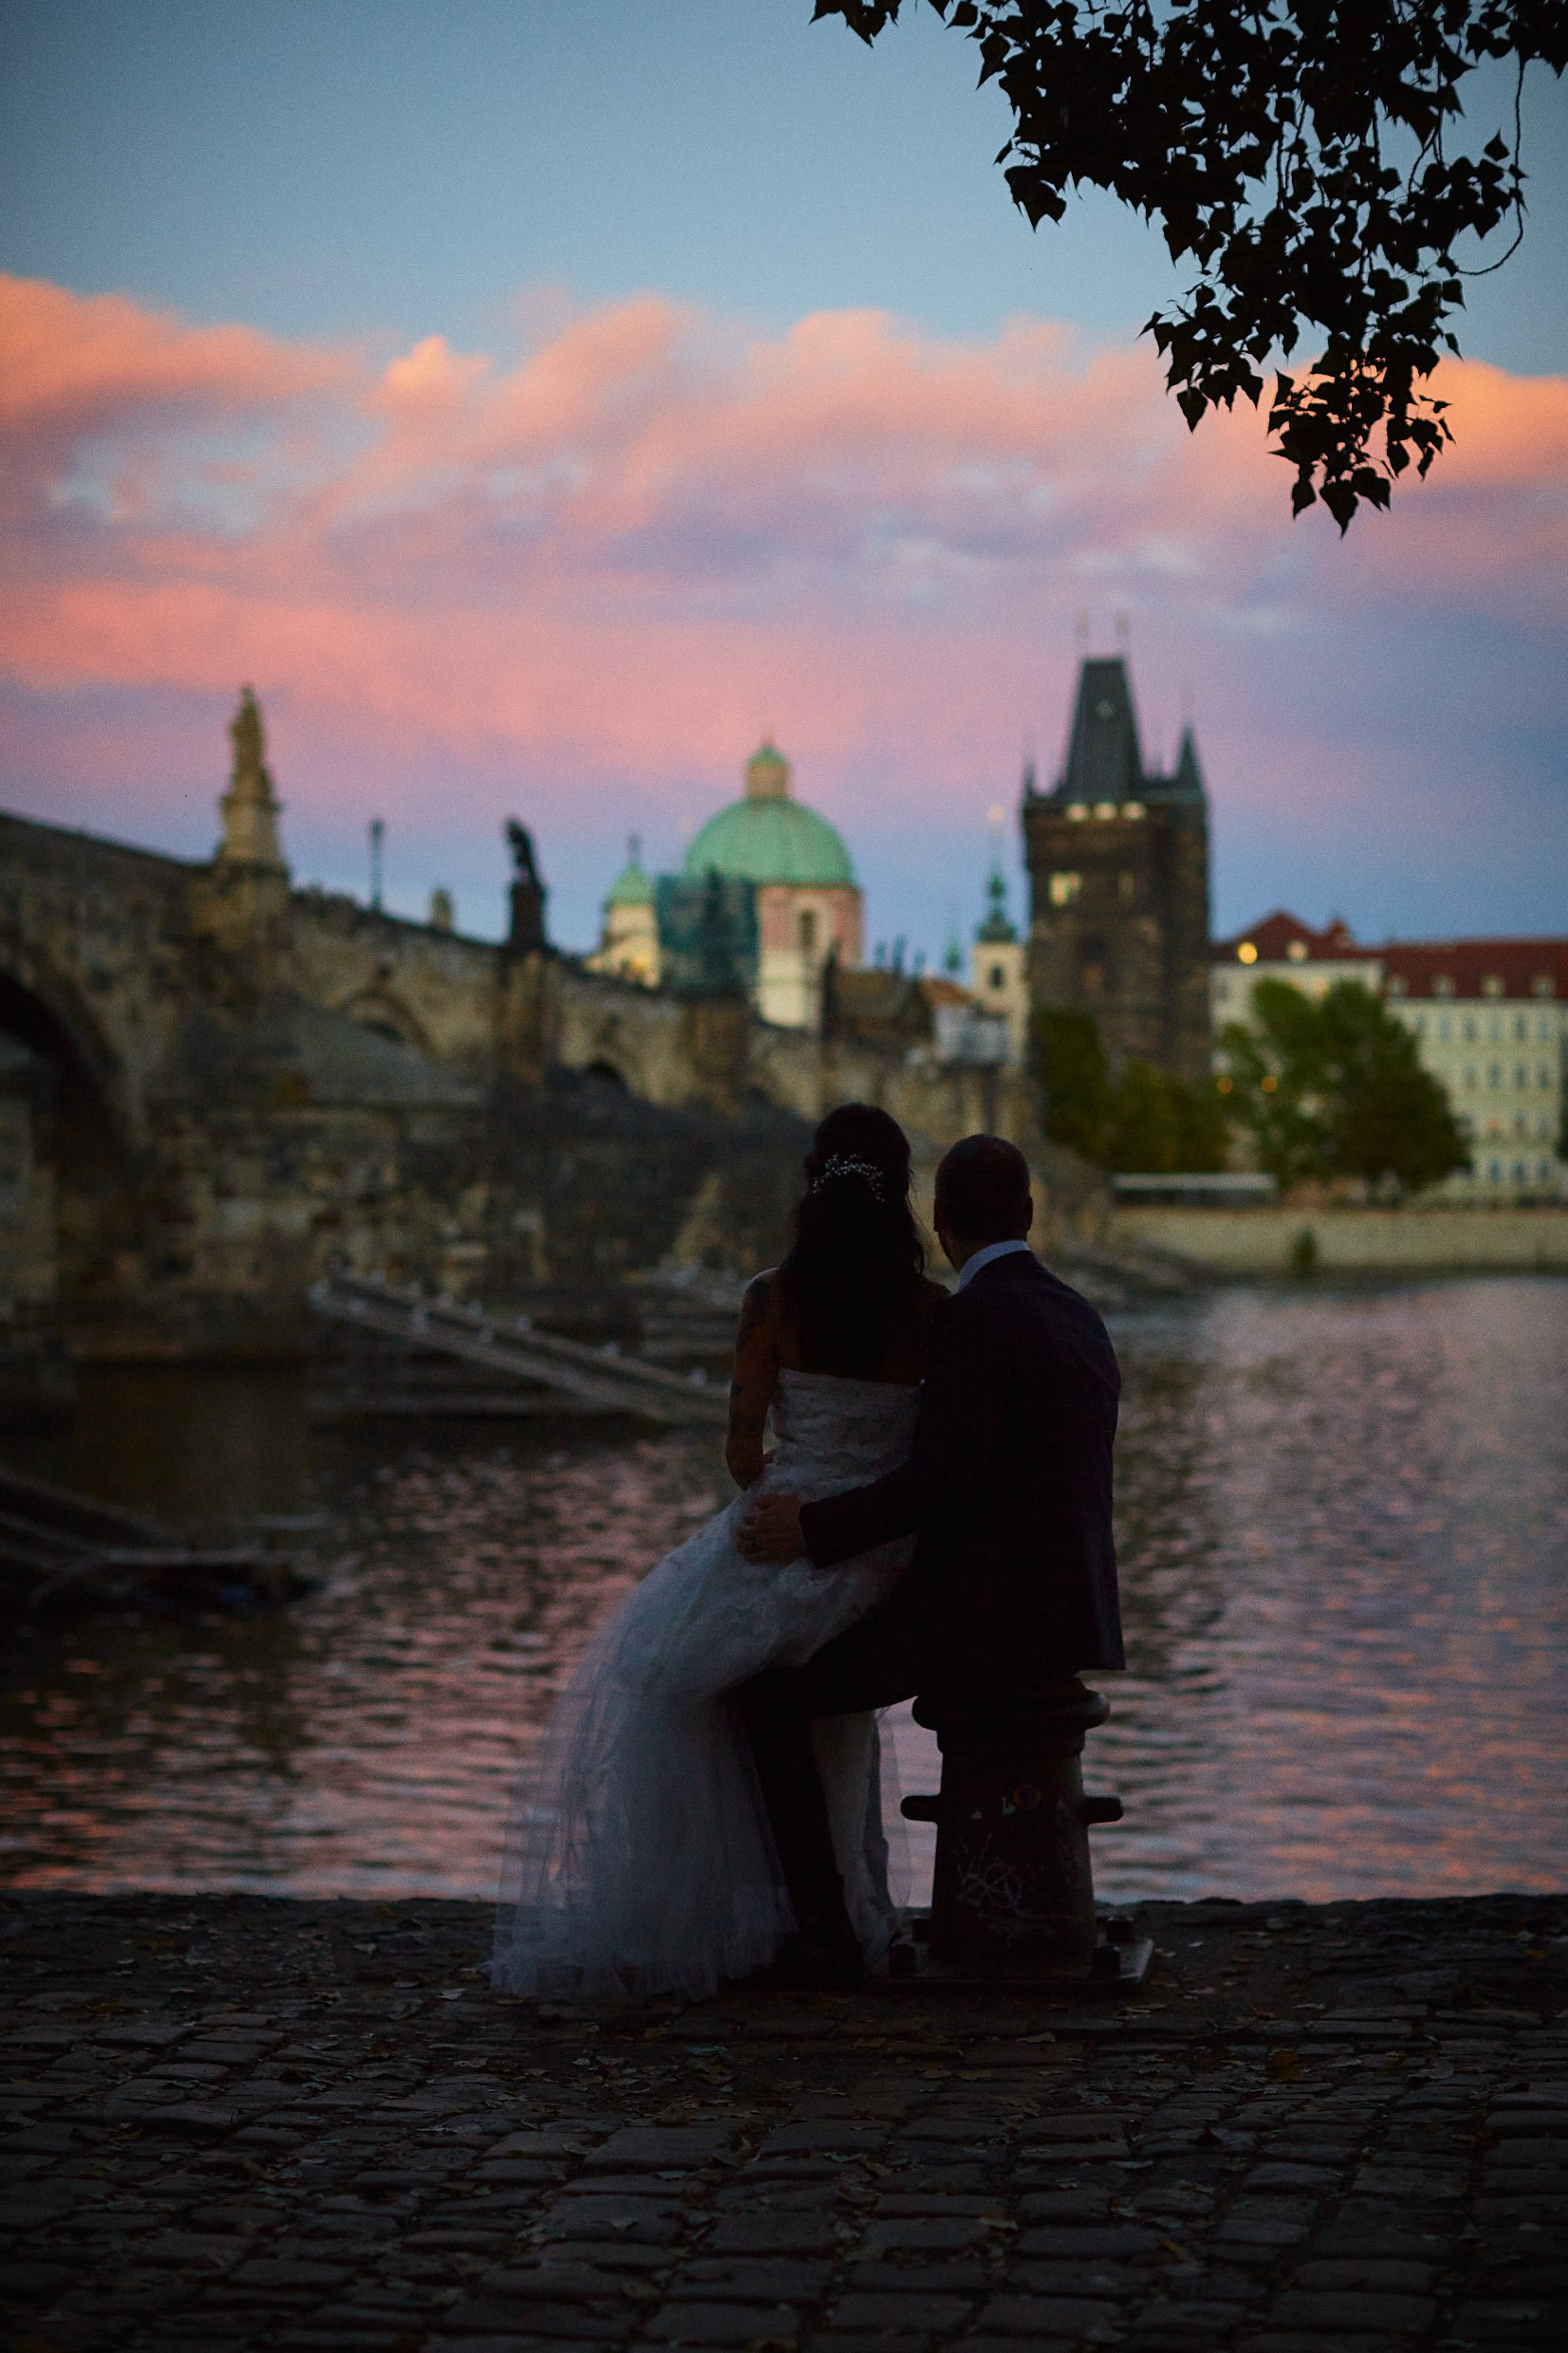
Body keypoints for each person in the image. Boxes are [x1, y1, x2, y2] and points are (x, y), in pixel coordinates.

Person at [491, 1103, 947, 2002]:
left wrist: (788, 1476)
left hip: (784, 1521)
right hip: (876, 1548)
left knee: (676, 1671)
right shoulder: (931, 1311)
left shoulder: (770, 1298)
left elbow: (741, 1454)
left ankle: (753, 1915)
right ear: (899, 1196)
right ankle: (834, 1915)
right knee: (819, 1712)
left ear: (811, 1185)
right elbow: (929, 1457)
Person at [735, 1131, 1123, 1989]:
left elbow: (938, 1481)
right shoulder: (1074, 1312)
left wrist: (812, 1528)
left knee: (766, 1697)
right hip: (1070, 1611)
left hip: (983, 1622)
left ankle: (825, 1936)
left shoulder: (973, 1319)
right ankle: (840, 1917)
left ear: (940, 1222)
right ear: (1027, 1214)